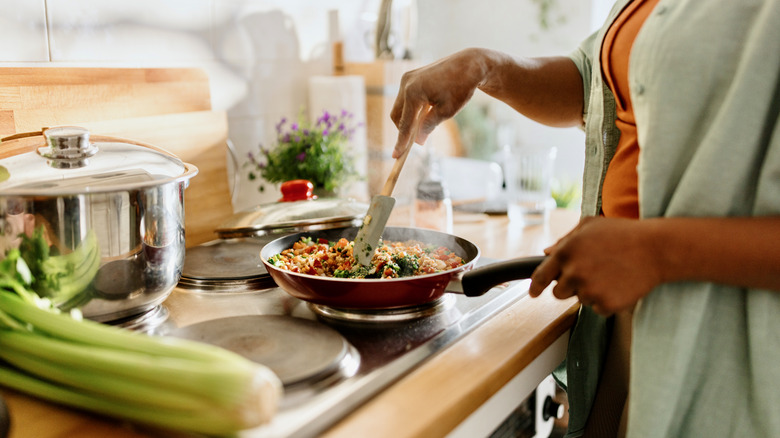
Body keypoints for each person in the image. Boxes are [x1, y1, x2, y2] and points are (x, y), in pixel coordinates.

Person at [389, 1, 780, 437]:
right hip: (626, 318)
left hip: (729, 343)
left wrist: (656, 250)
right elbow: (596, 82)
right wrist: (485, 66)